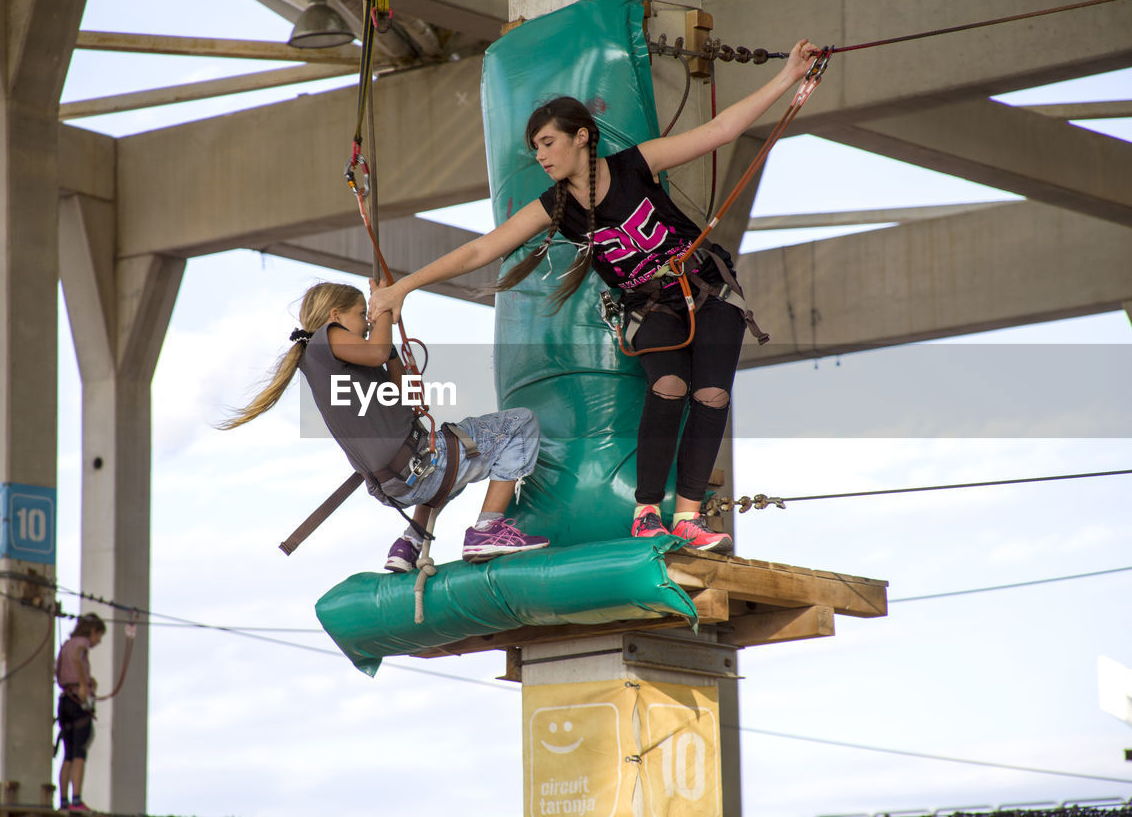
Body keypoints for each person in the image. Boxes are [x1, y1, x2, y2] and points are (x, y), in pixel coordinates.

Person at [370, 40, 820, 552]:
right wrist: (405, 287)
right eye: (534, 148)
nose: (539, 156)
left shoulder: (633, 166)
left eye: (546, 143)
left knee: (712, 395)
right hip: (648, 306)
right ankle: (649, 510)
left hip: (706, 290)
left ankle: (690, 515)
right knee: (669, 385)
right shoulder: (554, 206)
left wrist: (788, 77)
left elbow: (720, 132)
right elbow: (481, 250)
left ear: (581, 137)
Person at [219, 281, 548, 571]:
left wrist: (394, 356)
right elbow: (376, 350)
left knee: (445, 459)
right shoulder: (325, 339)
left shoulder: (328, 363)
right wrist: (385, 310)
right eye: (362, 315)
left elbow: (402, 394)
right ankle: (488, 528)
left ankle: (410, 542)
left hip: (398, 482)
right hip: (416, 465)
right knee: (519, 425)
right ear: (335, 316)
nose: (366, 323)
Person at [55, 613, 105, 814]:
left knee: (67, 754)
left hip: (65, 700)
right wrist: (84, 685)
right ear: (92, 631)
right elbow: (77, 657)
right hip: (78, 703)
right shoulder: (81, 643)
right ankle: (77, 800)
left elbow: (59, 672)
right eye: (99, 636)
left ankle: (64, 800)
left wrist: (83, 679)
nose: (98, 641)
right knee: (79, 753)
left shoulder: (66, 645)